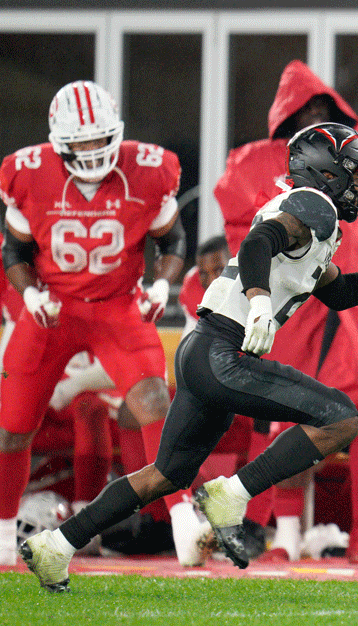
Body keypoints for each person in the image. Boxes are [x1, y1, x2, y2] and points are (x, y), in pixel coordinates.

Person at [19, 122, 358, 592]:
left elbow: (341, 292)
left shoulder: (309, 217)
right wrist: (261, 302)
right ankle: (232, 495)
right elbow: (258, 242)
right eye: (352, 173)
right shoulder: (314, 206)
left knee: (164, 476)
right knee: (341, 418)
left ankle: (56, 546)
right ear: (325, 175)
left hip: (202, 351)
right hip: (224, 349)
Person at [215, 60, 358, 564]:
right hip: (301, 300)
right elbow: (250, 242)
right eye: (305, 114)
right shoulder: (262, 171)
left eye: (323, 112)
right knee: (291, 415)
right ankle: (283, 533)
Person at [0, 81, 198, 567]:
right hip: (54, 310)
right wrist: (29, 293)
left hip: (116, 306)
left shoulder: (147, 169)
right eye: (82, 142)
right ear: (58, 143)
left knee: (155, 400)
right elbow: (16, 251)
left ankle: (184, 518)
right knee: (12, 427)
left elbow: (172, 240)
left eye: (100, 139)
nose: (93, 151)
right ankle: (4, 529)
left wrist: (159, 286)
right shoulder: (30, 173)